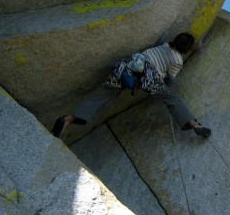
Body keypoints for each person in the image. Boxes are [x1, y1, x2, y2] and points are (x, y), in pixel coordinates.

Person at [51, 32, 211, 139]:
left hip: (127, 67)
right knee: (171, 97)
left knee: (103, 95)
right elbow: (170, 80)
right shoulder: (177, 60)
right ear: (187, 49)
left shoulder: (164, 45)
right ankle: (193, 124)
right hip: (148, 79)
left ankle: (67, 120)